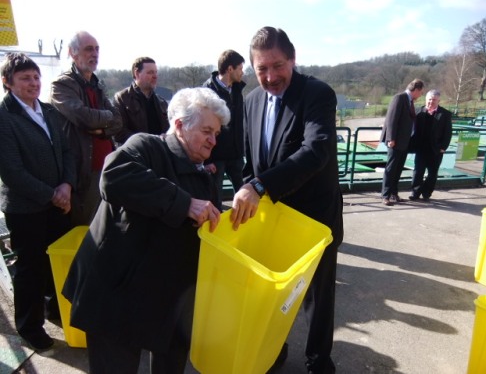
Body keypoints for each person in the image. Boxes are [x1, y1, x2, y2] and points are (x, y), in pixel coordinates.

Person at [61, 87, 229, 374]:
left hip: (168, 299)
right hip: (117, 294)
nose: (213, 140)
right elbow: (112, 177)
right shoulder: (145, 146)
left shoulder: (202, 172)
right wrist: (184, 203)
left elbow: (206, 222)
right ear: (179, 125)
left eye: (216, 133)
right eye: (206, 131)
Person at [229, 27, 344, 374]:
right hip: (273, 218)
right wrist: (247, 188)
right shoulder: (250, 101)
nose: (270, 76)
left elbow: (316, 151)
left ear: (293, 59)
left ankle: (318, 362)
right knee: (273, 295)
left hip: (314, 219)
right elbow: (252, 161)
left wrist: (261, 187)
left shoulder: (316, 94)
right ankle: (274, 350)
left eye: (277, 66)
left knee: (316, 299)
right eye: (261, 69)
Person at [0, 53, 76, 351]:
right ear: (7, 83)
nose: (33, 83)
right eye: (25, 79)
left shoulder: (48, 111)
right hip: (26, 208)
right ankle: (30, 327)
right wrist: (52, 194)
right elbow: (12, 172)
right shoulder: (5, 118)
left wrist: (67, 186)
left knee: (55, 263)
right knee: (31, 269)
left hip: (59, 202)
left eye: (35, 77)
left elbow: (67, 152)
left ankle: (57, 311)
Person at [50, 30, 122, 226]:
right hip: (84, 172)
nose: (95, 54)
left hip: (106, 167)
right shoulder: (62, 85)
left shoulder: (96, 84)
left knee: (107, 226)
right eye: (88, 49)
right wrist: (106, 118)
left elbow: (118, 121)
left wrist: (102, 129)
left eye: (97, 49)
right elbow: (85, 118)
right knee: (86, 228)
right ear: (73, 53)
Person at [202, 49, 246, 209]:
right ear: (229, 69)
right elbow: (202, 127)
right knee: (216, 201)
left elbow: (240, 124)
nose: (242, 72)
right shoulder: (207, 92)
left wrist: (242, 151)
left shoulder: (237, 90)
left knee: (244, 198)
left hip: (235, 155)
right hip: (216, 157)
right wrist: (207, 159)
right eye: (240, 68)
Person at [380, 78, 424, 206]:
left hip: (405, 141)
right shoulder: (400, 98)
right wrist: (391, 138)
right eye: (421, 93)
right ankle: (385, 195)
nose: (420, 95)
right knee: (391, 168)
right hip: (396, 141)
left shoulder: (409, 101)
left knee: (398, 168)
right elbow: (391, 119)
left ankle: (394, 194)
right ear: (416, 90)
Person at [113, 56, 170, 146]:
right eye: (150, 72)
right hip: (135, 156)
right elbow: (119, 133)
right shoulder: (122, 99)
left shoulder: (161, 102)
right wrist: (148, 140)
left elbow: (170, 129)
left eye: (156, 72)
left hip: (159, 155)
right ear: (137, 73)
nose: (155, 76)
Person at [409, 89, 452, 201]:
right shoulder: (419, 111)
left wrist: (443, 147)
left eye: (434, 100)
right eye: (429, 99)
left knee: (432, 173)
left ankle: (427, 192)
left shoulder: (445, 114)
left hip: (436, 149)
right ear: (426, 99)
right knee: (418, 171)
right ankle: (415, 192)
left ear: (438, 101)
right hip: (421, 148)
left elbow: (448, 132)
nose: (431, 102)